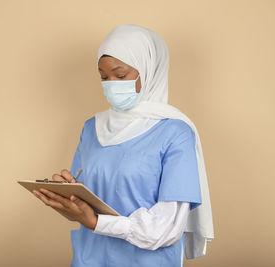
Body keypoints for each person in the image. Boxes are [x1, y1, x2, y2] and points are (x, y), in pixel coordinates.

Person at [32, 24, 214, 267]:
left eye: (120, 75)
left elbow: (166, 228)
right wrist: (68, 200)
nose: (111, 85)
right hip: (90, 259)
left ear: (149, 70)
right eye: (104, 77)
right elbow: (88, 205)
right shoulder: (91, 128)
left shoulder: (175, 132)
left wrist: (97, 222)